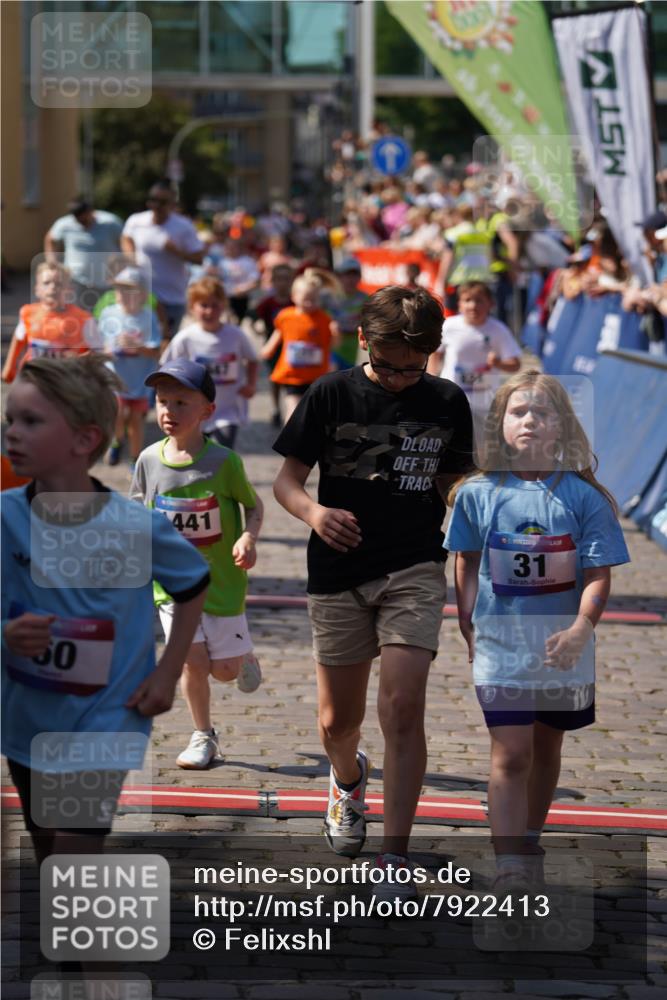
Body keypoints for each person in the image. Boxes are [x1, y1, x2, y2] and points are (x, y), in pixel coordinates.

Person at [272, 286, 473, 893]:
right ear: (362, 341)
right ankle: (347, 779)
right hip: (337, 570)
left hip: (414, 564)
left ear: (434, 354)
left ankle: (395, 854)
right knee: (338, 723)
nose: (399, 379)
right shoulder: (330, 392)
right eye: (387, 365)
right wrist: (312, 513)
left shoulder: (447, 401)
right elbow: (285, 481)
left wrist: (475, 506)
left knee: (403, 707)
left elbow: (453, 481)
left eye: (414, 368)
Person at [2, 354, 209, 864]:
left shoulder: (135, 527)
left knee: (75, 853)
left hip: (107, 718)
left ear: (84, 440)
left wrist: (166, 673)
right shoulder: (4, 517)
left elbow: (193, 585)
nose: (11, 433)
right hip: (27, 715)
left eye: (30, 422)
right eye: (10, 420)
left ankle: (85, 940)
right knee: (51, 849)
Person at [444, 370, 630, 890]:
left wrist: (579, 630)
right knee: (512, 752)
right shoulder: (476, 494)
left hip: (562, 652)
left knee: (547, 749)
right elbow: (465, 560)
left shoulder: (585, 499)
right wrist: (467, 619)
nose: (529, 420)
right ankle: (509, 863)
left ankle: (527, 834)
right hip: (501, 648)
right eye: (518, 412)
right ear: (499, 425)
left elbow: (598, 575)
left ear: (562, 428)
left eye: (542, 412)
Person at [131, 360, 265, 770]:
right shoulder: (148, 460)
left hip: (221, 581)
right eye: (162, 401)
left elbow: (253, 506)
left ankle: (242, 658)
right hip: (171, 587)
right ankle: (202, 735)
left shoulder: (224, 462)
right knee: (193, 661)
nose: (169, 411)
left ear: (207, 410)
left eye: (182, 402)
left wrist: (247, 536)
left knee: (222, 671)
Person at [161, 276, 259, 450]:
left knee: (223, 449)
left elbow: (252, 360)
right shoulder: (186, 338)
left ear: (224, 306)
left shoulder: (236, 335)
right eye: (204, 305)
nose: (209, 311)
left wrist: (251, 384)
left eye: (215, 305)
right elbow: (167, 368)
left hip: (228, 409)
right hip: (194, 410)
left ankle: (221, 476)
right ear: (192, 308)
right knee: (196, 453)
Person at [427, 281, 521, 438]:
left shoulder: (498, 330)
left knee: (482, 449)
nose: (473, 306)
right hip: (452, 397)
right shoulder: (449, 326)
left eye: (479, 300)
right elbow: (435, 353)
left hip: (485, 401)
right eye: (467, 300)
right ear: (459, 304)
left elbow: (515, 365)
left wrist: (498, 363)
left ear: (491, 304)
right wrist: (432, 379)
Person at [121, 181, 204, 344]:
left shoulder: (183, 226)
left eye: (163, 202)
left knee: (167, 346)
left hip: (171, 299)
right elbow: (126, 237)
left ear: (172, 204)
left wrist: (176, 251)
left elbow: (199, 258)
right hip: (144, 298)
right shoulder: (137, 221)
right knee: (143, 345)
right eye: (153, 200)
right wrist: (130, 257)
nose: (157, 206)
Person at [98, 266, 162, 468]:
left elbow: (156, 350)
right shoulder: (109, 313)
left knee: (136, 420)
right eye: (118, 289)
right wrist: (106, 351)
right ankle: (116, 441)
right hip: (115, 377)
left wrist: (138, 347)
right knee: (117, 414)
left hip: (140, 380)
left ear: (143, 295)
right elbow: (100, 344)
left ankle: (136, 460)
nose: (122, 294)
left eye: (129, 290)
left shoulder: (148, 316)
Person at [2, 263, 99, 383]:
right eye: (46, 283)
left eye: (59, 284)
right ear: (37, 289)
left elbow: (99, 353)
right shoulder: (27, 312)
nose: (53, 287)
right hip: (33, 377)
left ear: (69, 290)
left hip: (67, 382)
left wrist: (77, 359)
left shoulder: (84, 319)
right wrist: (9, 368)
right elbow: (18, 339)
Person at [261, 272, 333, 424]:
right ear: (293, 296)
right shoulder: (286, 316)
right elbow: (278, 334)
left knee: (314, 410)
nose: (309, 304)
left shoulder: (324, 319)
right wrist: (269, 348)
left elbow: (332, 343)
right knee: (292, 406)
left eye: (314, 300)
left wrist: (336, 333)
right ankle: (290, 438)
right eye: (306, 299)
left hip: (315, 374)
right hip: (292, 374)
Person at [44, 197, 123, 311]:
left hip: (106, 281)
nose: (83, 224)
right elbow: (50, 239)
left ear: (91, 211)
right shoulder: (65, 224)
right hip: (77, 280)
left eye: (85, 220)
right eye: (79, 220)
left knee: (107, 313)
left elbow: (126, 241)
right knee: (78, 314)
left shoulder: (111, 222)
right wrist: (52, 261)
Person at [254, 264, 294, 427]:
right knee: (275, 379)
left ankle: (292, 408)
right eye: (279, 279)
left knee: (292, 380)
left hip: (292, 348)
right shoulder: (267, 303)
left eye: (286, 279)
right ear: (273, 282)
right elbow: (255, 318)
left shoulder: (295, 302)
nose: (282, 283)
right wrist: (258, 326)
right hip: (274, 347)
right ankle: (277, 408)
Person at [329, 258, 368, 371]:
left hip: (351, 352)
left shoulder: (365, 299)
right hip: (332, 350)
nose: (350, 279)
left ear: (359, 277)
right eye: (346, 275)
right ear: (339, 277)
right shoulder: (329, 297)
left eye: (354, 275)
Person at [218, 238, 260, 323]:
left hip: (244, 298)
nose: (231, 249)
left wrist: (243, 289)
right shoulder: (221, 262)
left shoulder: (248, 261)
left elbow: (256, 281)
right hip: (226, 298)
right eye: (228, 247)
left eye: (233, 247)